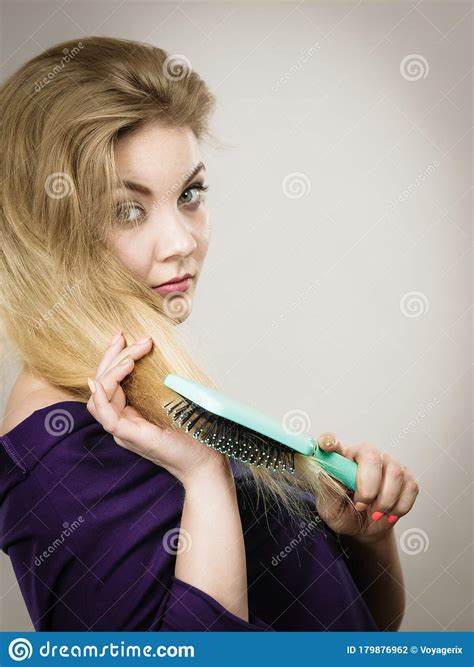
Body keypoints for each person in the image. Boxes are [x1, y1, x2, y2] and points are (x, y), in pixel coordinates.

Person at [0, 36, 419, 631]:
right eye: (128, 209)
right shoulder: (62, 452)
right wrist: (205, 477)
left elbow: (359, 633)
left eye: (189, 195)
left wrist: (363, 539)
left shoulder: (158, 392)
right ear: (45, 231)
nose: (182, 243)